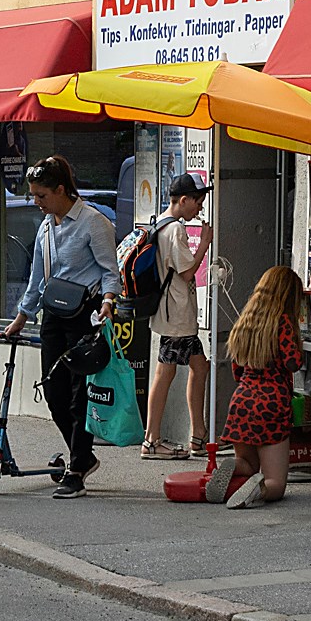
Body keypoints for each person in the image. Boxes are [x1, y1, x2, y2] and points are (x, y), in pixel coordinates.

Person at [0, 157, 118, 498]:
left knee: (80, 397)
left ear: (61, 190)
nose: (35, 202)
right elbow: (37, 277)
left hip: (86, 313)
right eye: (34, 196)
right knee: (54, 393)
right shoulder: (47, 226)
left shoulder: (94, 223)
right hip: (53, 314)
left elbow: (110, 270)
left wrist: (108, 302)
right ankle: (84, 455)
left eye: (41, 196)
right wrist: (22, 317)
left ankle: (77, 467)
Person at [220, 264, 307, 509]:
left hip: (242, 400)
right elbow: (293, 363)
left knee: (248, 464)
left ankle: (233, 466)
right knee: (276, 483)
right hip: (271, 403)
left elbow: (237, 369)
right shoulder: (283, 323)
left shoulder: (246, 322)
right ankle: (258, 490)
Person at [142, 174, 213, 459]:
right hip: (176, 314)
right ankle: (151, 440)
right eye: (197, 202)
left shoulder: (159, 223)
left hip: (172, 312)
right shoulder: (175, 231)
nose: (199, 209)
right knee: (165, 372)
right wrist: (204, 243)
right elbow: (186, 272)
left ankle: (198, 433)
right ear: (183, 200)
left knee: (200, 365)